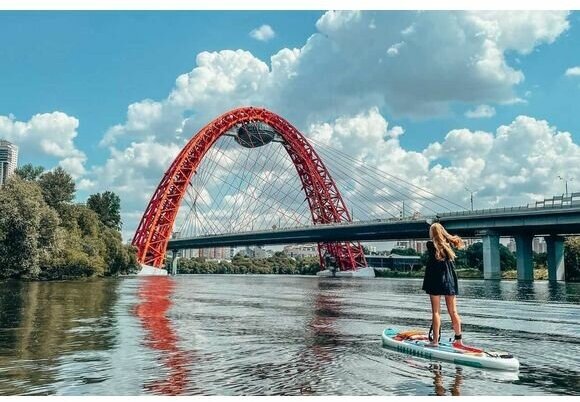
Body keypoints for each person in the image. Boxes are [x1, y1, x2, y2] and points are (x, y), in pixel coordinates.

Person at [422, 222, 465, 347]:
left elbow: (433, 246)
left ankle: (435, 341)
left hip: (435, 281)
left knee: (436, 312)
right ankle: (459, 340)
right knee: (453, 312)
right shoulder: (448, 247)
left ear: (432, 233)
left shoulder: (430, 245)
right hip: (449, 281)